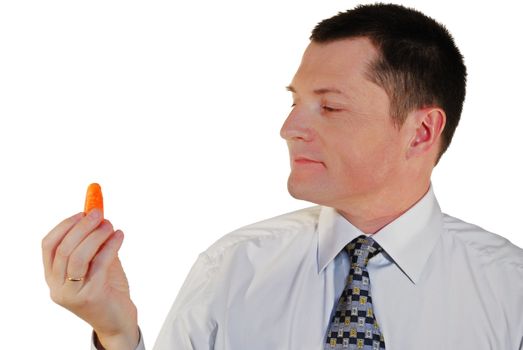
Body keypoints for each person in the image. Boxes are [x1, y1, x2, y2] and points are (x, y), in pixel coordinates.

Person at [42, 3, 523, 350]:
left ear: (420, 132)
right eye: (295, 102)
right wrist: (116, 333)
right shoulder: (232, 268)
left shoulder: (510, 289)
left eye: (329, 106)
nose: (289, 129)